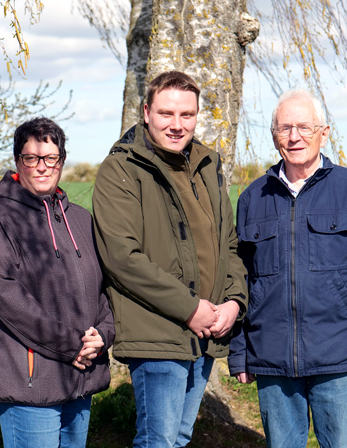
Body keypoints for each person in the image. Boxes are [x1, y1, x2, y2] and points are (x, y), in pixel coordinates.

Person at [229, 89, 347, 447]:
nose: (294, 137)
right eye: (285, 128)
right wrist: (239, 351)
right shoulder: (252, 199)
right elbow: (240, 282)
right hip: (272, 361)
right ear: (273, 135)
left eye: (304, 127)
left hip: (340, 362)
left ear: (324, 132)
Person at [92, 71, 248, 448]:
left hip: (206, 330)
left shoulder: (207, 165)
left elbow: (229, 243)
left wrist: (233, 302)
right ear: (146, 112)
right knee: (158, 441)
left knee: (178, 437)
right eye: (166, 114)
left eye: (187, 115)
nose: (177, 126)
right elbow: (122, 257)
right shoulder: (121, 170)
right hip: (157, 331)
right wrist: (190, 309)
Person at [0, 117, 115, 447]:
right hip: (30, 381)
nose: (42, 167)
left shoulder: (80, 218)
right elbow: (6, 296)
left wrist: (103, 335)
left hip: (80, 376)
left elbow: (101, 288)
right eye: (31, 158)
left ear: (61, 160)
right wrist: (72, 343)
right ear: (17, 161)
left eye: (50, 158)